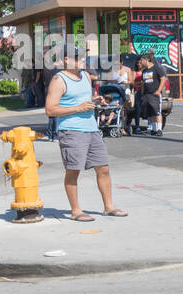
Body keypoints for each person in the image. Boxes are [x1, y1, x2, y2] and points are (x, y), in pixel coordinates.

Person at [45, 43, 125, 221]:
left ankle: (108, 207)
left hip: (92, 129)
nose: (83, 60)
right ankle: (76, 211)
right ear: (66, 60)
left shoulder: (85, 76)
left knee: (103, 168)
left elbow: (83, 100)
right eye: (78, 57)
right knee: (73, 170)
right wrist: (78, 108)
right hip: (71, 130)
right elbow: (50, 110)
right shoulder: (59, 80)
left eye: (83, 56)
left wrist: (94, 100)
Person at [133, 52, 167, 136]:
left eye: (142, 60)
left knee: (157, 112)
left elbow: (163, 79)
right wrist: (142, 94)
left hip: (154, 93)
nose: (140, 62)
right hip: (146, 95)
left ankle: (159, 129)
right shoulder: (144, 71)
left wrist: (158, 91)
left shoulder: (156, 68)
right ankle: (154, 129)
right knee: (150, 113)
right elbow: (144, 83)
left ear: (147, 60)